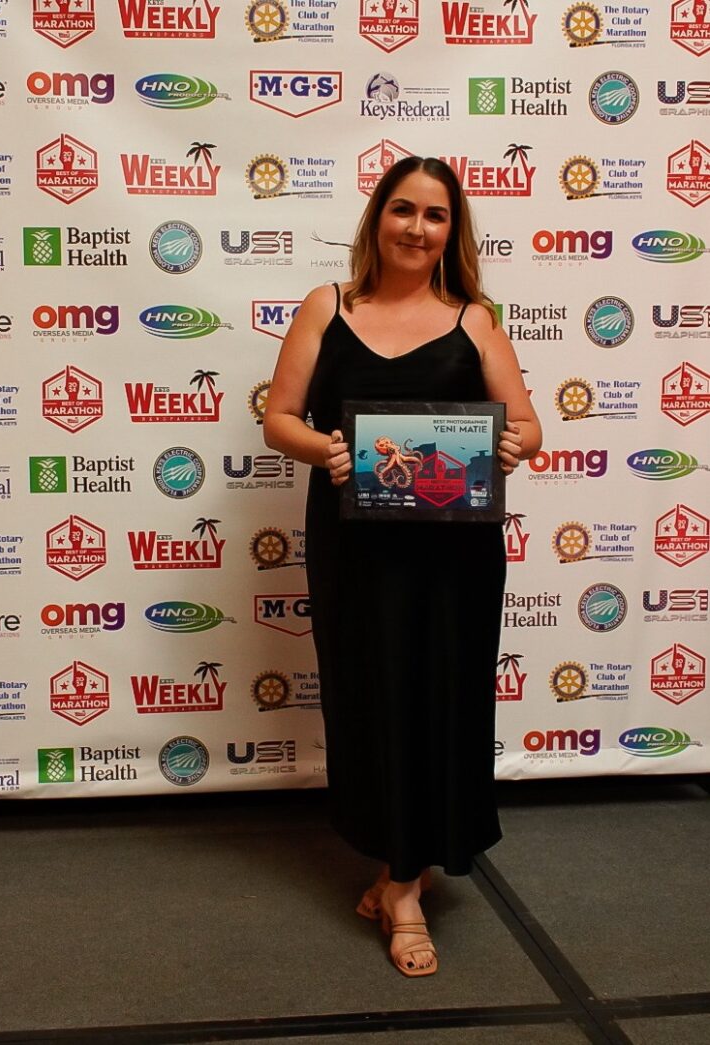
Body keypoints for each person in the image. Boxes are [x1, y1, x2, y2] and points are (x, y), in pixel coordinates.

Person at [263, 155, 541, 977]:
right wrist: (330, 450)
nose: (418, 228)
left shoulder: (477, 320)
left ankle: (404, 883)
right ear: (377, 218)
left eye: (437, 216)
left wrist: (518, 442)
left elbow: (525, 424)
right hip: (357, 544)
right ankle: (394, 864)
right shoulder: (327, 308)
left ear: (452, 231)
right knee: (370, 696)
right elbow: (279, 419)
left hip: (455, 551)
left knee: (441, 697)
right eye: (404, 210)